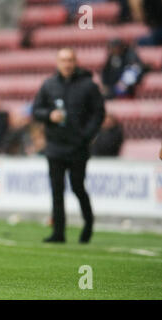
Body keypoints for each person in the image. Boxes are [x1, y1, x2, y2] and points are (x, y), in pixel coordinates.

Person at [32, 48, 105, 244]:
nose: (67, 64)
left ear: (75, 62)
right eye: (63, 60)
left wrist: (86, 136)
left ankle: (88, 224)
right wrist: (49, 115)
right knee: (57, 190)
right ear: (57, 62)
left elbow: (99, 113)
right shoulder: (49, 85)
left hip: (78, 147)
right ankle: (58, 233)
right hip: (55, 146)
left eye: (70, 60)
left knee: (78, 187)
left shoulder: (88, 85)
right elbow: (36, 110)